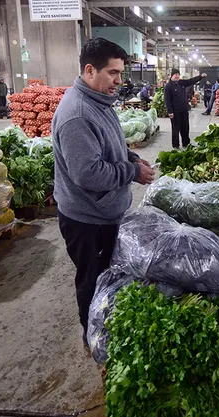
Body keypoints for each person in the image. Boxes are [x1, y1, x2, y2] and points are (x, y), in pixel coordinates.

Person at [51, 37, 155, 345]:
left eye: (120, 74)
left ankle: (106, 326)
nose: (119, 81)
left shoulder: (100, 102)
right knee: (92, 280)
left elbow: (110, 147)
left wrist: (130, 157)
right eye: (112, 73)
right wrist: (132, 172)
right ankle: (93, 337)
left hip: (105, 211)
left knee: (109, 276)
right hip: (86, 219)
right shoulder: (77, 115)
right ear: (89, 70)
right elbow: (89, 174)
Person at [164, 68, 206, 149]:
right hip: (175, 112)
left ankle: (186, 143)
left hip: (184, 110)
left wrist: (200, 76)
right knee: (176, 129)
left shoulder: (181, 83)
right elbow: (167, 100)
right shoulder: (168, 87)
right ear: (171, 75)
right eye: (175, 74)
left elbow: (191, 81)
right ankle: (175, 145)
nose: (177, 76)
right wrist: (170, 111)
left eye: (178, 74)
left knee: (185, 128)